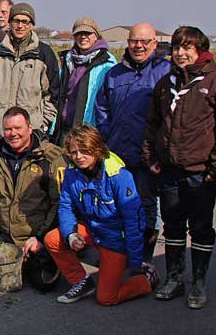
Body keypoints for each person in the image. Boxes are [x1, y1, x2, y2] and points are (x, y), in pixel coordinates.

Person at [143, 26, 216, 309]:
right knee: (173, 225)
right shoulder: (165, 84)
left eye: (187, 48)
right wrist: (151, 158)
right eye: (176, 48)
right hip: (169, 170)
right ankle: (174, 278)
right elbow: (152, 125)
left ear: (199, 50)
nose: (180, 53)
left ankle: (198, 282)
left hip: (201, 172)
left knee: (200, 228)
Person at [45, 124, 156, 305]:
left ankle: (146, 279)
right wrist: (71, 235)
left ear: (96, 149)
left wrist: (135, 262)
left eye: (84, 151)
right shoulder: (72, 173)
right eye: (73, 152)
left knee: (106, 298)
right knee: (53, 239)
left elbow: (134, 221)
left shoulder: (119, 176)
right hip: (92, 229)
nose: (79, 157)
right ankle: (81, 282)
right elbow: (66, 206)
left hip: (115, 239)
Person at [95, 22, 171, 263]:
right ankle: (116, 252)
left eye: (144, 41)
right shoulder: (115, 73)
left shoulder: (165, 72)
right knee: (114, 204)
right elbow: (102, 107)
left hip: (147, 153)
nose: (138, 46)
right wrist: (106, 135)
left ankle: (142, 257)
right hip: (117, 152)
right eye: (133, 41)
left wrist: (159, 146)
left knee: (146, 204)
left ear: (154, 43)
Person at [0, 107, 66, 290]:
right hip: (4, 236)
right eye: (8, 129)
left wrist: (40, 238)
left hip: (36, 236)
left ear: (30, 128)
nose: (12, 133)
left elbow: (60, 203)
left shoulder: (50, 158)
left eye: (18, 128)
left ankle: (51, 256)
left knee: (43, 284)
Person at [0, 3, 59, 143]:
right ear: (9, 23)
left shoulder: (44, 54)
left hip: (32, 131)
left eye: (25, 21)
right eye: (16, 20)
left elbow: (52, 94)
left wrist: (44, 122)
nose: (20, 26)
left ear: (31, 25)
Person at [50, 17, 116, 145]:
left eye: (87, 33)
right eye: (79, 34)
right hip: (65, 127)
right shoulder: (67, 61)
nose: (83, 37)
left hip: (89, 130)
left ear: (96, 36)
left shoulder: (107, 63)